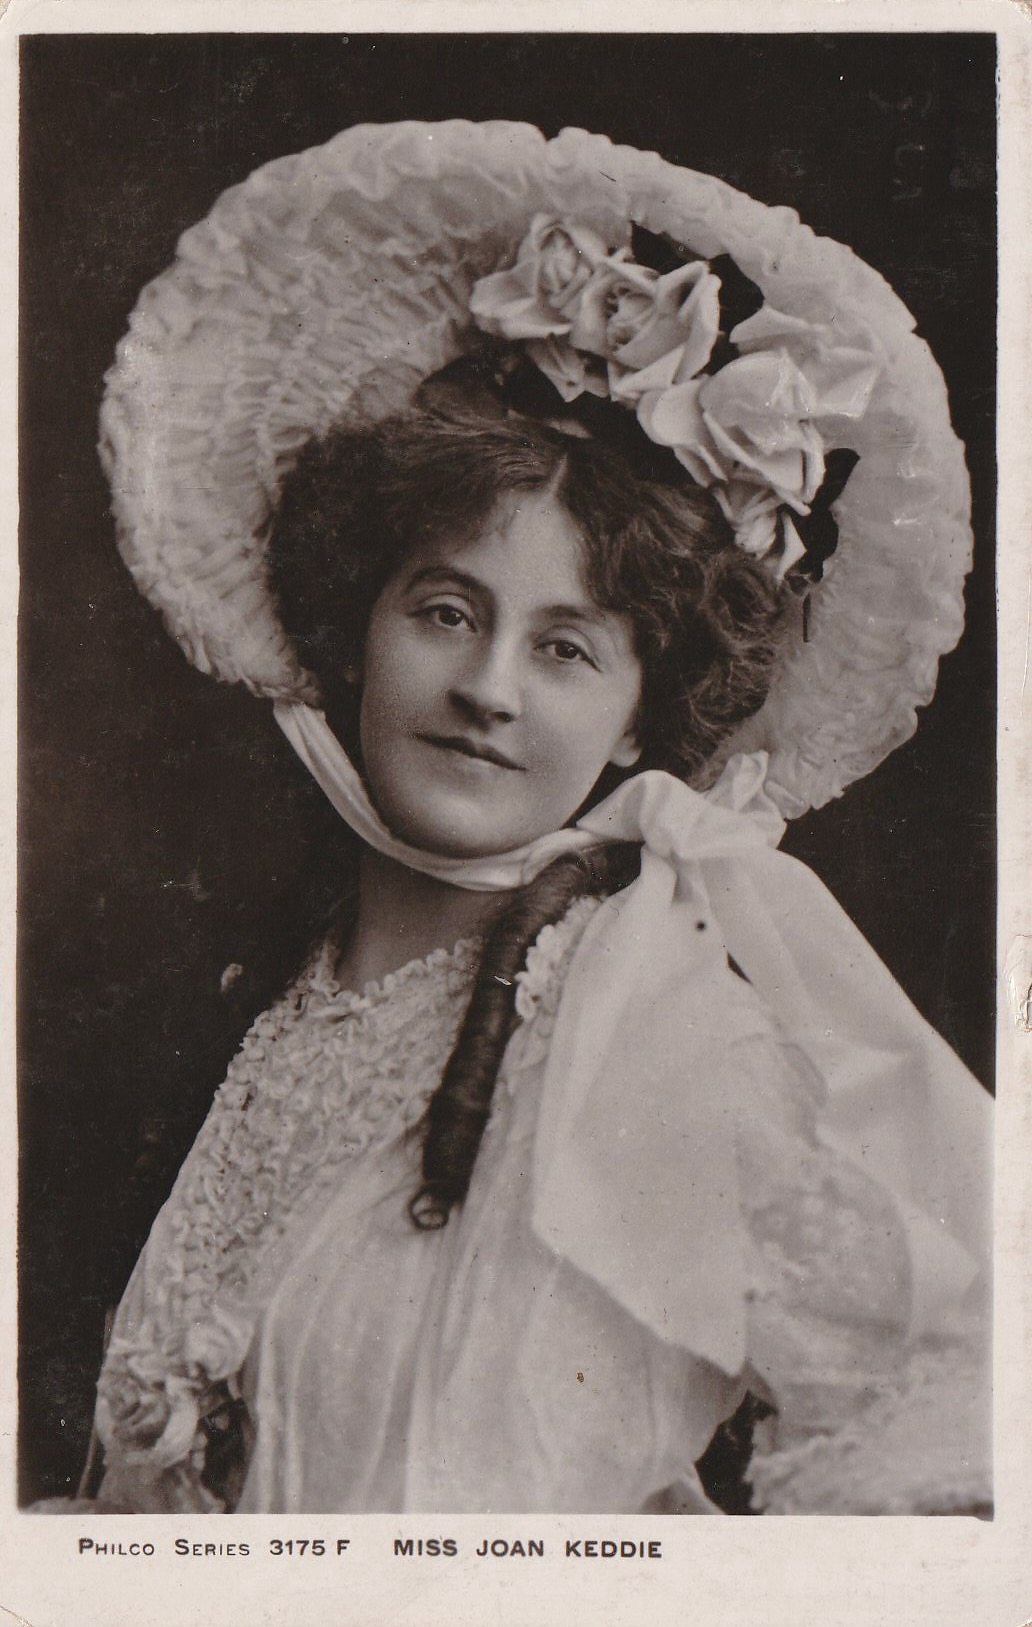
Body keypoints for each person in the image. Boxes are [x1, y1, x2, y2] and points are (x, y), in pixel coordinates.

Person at [61, 122, 992, 1515]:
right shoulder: (260, 1003)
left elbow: (969, 1408)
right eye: (447, 612)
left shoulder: (657, 1033)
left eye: (566, 649)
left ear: (640, 721)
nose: (488, 689)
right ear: (359, 631)